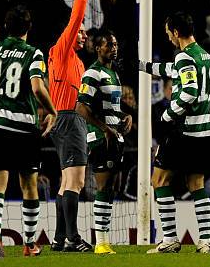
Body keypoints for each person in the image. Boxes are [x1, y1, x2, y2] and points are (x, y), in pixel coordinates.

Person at [0, 5, 58, 256]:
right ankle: (29, 242)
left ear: (6, 26)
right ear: (29, 27)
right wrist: (52, 111)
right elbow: (37, 88)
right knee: (29, 185)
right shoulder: (33, 53)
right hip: (25, 126)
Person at [139, 12, 210, 254]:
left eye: (168, 32)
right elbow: (174, 69)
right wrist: (143, 66)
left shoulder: (184, 55)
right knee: (196, 184)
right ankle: (205, 242)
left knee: (159, 180)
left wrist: (167, 115)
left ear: (176, 32)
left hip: (184, 130)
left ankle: (170, 239)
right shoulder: (202, 54)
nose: (168, 37)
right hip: (205, 130)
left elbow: (189, 91)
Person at [48, 0, 93, 252]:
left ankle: (59, 238)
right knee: (75, 182)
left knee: (66, 182)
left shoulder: (77, 62)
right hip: (67, 118)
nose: (84, 34)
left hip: (65, 120)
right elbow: (75, 18)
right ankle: (75, 239)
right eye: (81, 32)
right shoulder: (62, 49)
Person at [75, 29, 132, 254]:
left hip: (114, 136)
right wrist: (104, 129)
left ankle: (104, 239)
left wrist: (126, 117)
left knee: (112, 188)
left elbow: (113, 108)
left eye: (115, 44)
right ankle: (100, 242)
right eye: (109, 45)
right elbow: (81, 108)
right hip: (100, 138)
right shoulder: (92, 74)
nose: (113, 48)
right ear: (98, 48)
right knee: (103, 187)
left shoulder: (114, 73)